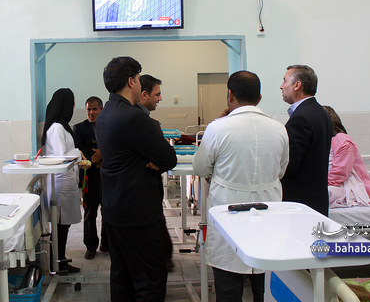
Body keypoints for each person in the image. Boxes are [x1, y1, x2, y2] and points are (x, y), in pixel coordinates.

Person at [193, 71, 289, 302]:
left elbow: (200, 167)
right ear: (259, 98)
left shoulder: (218, 128)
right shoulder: (279, 129)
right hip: (268, 213)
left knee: (228, 287)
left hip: (229, 215)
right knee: (265, 288)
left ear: (230, 95)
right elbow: (281, 170)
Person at [96, 57, 177, 302]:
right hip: (137, 213)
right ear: (131, 82)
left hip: (114, 209)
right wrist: (153, 160)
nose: (141, 83)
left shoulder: (105, 114)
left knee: (122, 277)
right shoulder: (134, 117)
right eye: (139, 79)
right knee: (150, 280)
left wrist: (151, 158)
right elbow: (169, 158)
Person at [280, 64, 333, 216]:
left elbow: (290, 165)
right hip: (315, 199)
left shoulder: (301, 117)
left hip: (300, 202)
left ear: (297, 85)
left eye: (285, 81)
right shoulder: (319, 112)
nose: (281, 86)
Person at [41, 88, 82, 274]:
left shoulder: (61, 126)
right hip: (60, 183)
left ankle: (60, 259)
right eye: (72, 103)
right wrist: (78, 153)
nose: (73, 107)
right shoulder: (57, 127)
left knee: (63, 225)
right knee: (60, 224)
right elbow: (60, 156)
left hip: (66, 181)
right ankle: (58, 262)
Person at [137, 74, 173, 271]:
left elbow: (162, 158)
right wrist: (159, 160)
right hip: (145, 193)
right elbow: (167, 157)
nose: (160, 98)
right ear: (144, 95)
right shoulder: (146, 124)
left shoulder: (149, 122)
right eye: (157, 94)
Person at [73, 96, 108, 260]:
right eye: (88, 109)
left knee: (108, 211)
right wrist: (96, 159)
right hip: (90, 176)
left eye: (94, 109)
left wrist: (103, 153)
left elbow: (116, 146)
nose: (91, 113)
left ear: (101, 109)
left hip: (107, 175)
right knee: (90, 212)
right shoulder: (79, 128)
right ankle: (90, 245)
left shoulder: (109, 126)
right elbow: (78, 150)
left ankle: (106, 243)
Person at [323, 106, 370, 207]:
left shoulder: (342, 140)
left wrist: (319, 184)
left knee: (317, 194)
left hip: (348, 185)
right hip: (332, 182)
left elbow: (340, 172)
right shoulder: (324, 140)